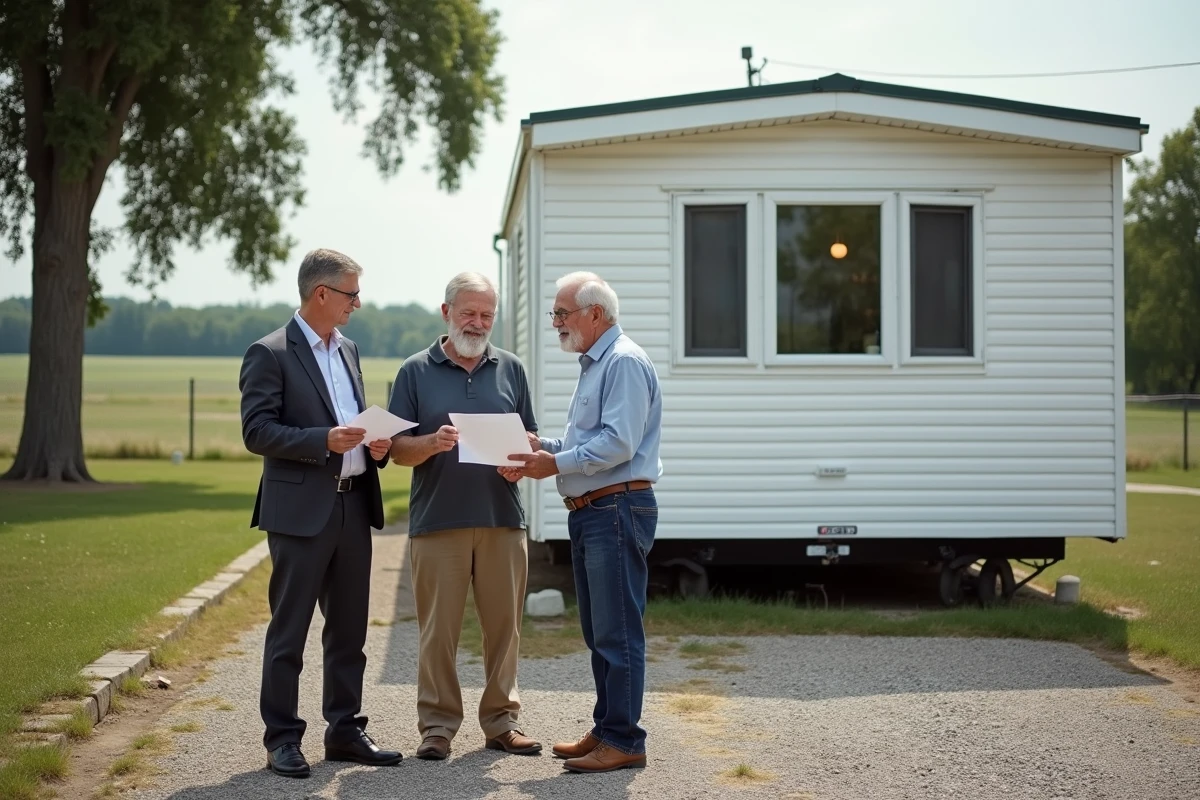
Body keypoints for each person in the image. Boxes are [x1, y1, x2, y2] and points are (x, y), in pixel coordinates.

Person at [239, 248, 403, 778]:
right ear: (322, 293)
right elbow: (257, 431)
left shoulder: (348, 349)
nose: (358, 303)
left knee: (350, 629)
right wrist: (323, 440)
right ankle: (282, 738)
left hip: (354, 503)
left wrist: (375, 446)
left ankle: (345, 731)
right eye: (352, 293)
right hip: (300, 512)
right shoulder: (269, 352)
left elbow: (351, 421)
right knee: (289, 631)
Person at [501, 271, 663, 774]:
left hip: (615, 509)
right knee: (600, 632)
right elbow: (591, 442)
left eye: (561, 312)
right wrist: (543, 447)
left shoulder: (623, 362)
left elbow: (619, 444)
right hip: (597, 510)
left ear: (595, 313)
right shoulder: (598, 363)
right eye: (554, 313)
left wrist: (554, 463)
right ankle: (608, 728)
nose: (555, 322)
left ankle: (625, 740)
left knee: (617, 633)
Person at [387, 272, 542, 761]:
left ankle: (502, 722)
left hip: (502, 519)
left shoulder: (512, 368)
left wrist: (522, 460)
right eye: (469, 312)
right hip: (438, 522)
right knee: (438, 632)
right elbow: (395, 449)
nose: (477, 322)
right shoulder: (414, 370)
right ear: (446, 312)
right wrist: (431, 443)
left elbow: (531, 439)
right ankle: (437, 727)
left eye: (486, 314)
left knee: (505, 630)